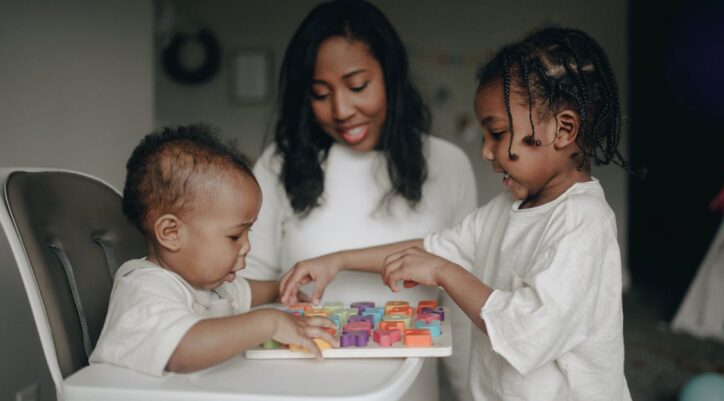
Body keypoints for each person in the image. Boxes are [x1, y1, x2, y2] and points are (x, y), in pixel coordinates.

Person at [280, 27, 633, 401]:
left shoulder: (583, 221)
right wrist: (337, 261)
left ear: (563, 129)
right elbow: (432, 250)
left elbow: (528, 331)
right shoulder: (505, 209)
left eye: (496, 133)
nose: (485, 151)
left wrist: (444, 274)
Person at [240, 1, 477, 399]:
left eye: (357, 86)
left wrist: (468, 394)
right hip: (297, 389)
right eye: (320, 93)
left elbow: (463, 301)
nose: (342, 110)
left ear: (391, 75)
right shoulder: (278, 165)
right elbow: (248, 290)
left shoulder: (448, 165)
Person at [89, 125, 337, 377]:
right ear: (171, 233)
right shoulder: (144, 290)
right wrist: (269, 322)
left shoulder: (209, 284)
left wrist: (282, 289)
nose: (247, 246)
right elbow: (183, 351)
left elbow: (248, 292)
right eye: (235, 235)